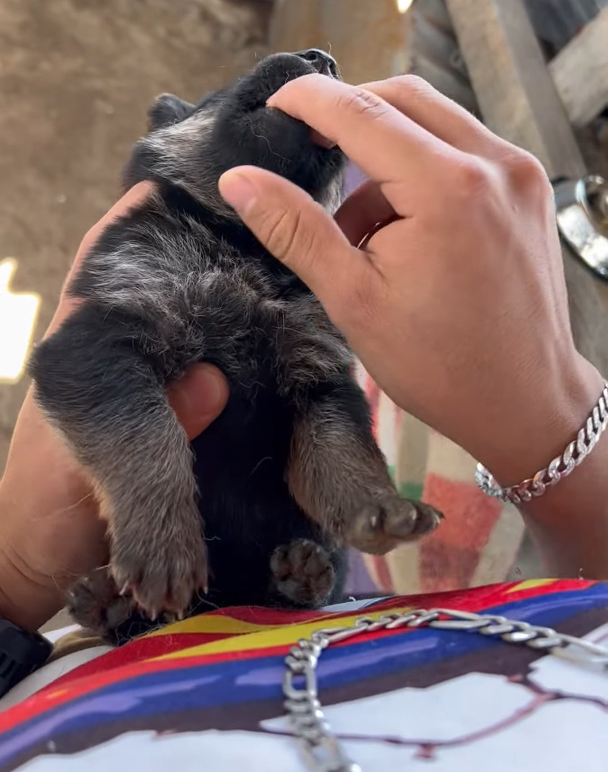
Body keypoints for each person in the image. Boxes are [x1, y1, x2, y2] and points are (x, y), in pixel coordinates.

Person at [0, 76, 606, 770]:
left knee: (321, 410)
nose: (319, 65)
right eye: (234, 100)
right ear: (170, 135)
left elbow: (323, 404)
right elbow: (91, 367)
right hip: (305, 629)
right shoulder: (159, 233)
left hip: (211, 624)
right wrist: (565, 444)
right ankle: (235, 601)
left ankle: (243, 599)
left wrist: (13, 582)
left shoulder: (289, 280)